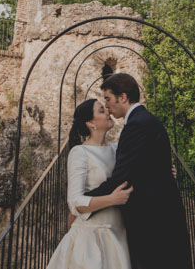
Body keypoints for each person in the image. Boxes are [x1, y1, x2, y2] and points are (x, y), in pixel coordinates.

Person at [85, 73, 192, 269]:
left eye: (108, 99)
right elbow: (147, 166)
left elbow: (121, 178)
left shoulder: (137, 125)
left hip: (154, 224)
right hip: (162, 218)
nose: (106, 106)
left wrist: (83, 202)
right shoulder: (145, 120)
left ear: (122, 97)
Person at [46, 98, 133, 269]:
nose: (107, 111)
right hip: (91, 238)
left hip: (119, 233)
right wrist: (112, 199)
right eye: (101, 110)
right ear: (91, 123)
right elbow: (75, 202)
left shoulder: (117, 149)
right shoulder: (80, 152)